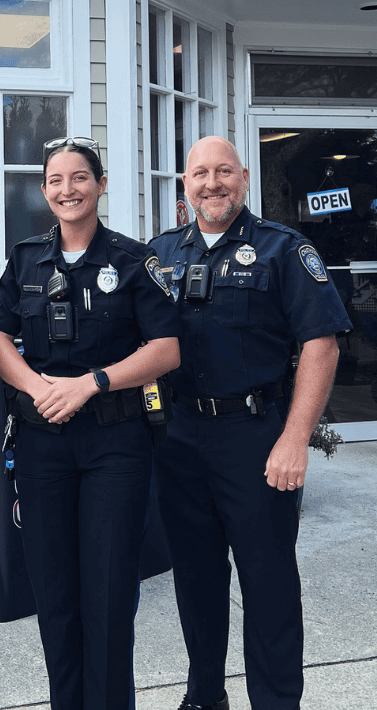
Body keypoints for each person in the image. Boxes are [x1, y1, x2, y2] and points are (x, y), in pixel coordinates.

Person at [150, 136, 352, 710]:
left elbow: (322, 343)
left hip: (256, 438)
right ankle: (204, 695)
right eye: (199, 174)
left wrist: (295, 439)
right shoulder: (160, 255)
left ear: (243, 178)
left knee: (268, 586)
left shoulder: (282, 250)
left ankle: (276, 700)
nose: (211, 183)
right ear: (184, 184)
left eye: (223, 172)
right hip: (179, 440)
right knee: (195, 578)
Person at [0, 136, 180, 710]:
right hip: (43, 445)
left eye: (78, 178)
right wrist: (35, 385)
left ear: (100, 184)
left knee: (110, 593)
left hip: (114, 444)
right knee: (55, 595)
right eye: (55, 180)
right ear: (43, 190)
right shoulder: (24, 258)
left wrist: (91, 383)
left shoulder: (133, 259)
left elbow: (166, 348)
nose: (66, 190)